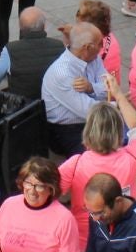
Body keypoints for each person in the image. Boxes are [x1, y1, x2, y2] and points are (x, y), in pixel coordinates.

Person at [40, 20, 109, 154]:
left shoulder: (94, 59)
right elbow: (89, 110)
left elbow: (109, 87)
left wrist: (92, 88)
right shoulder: (62, 74)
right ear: (87, 47)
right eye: (100, 43)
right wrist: (120, 105)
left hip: (90, 119)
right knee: (100, 156)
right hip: (66, 130)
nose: (102, 46)